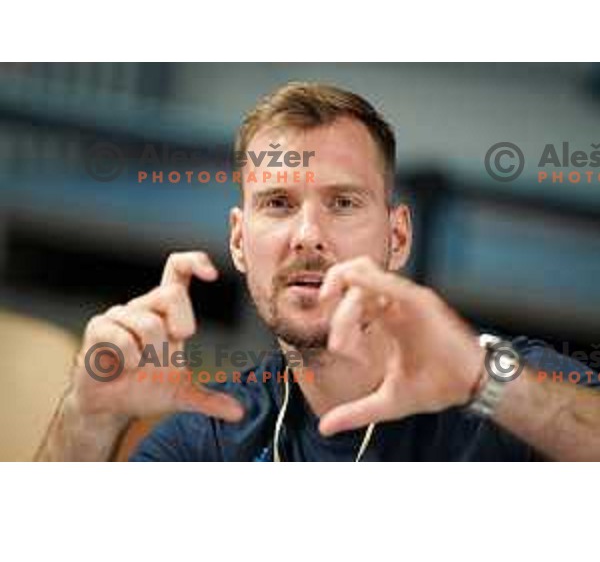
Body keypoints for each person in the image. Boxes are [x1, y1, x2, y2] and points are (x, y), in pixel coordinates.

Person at [38, 82, 600, 462]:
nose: (307, 233)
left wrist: (485, 382)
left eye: (343, 203)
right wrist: (87, 417)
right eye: (279, 204)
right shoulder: (216, 433)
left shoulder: (502, 392)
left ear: (398, 236)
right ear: (238, 241)